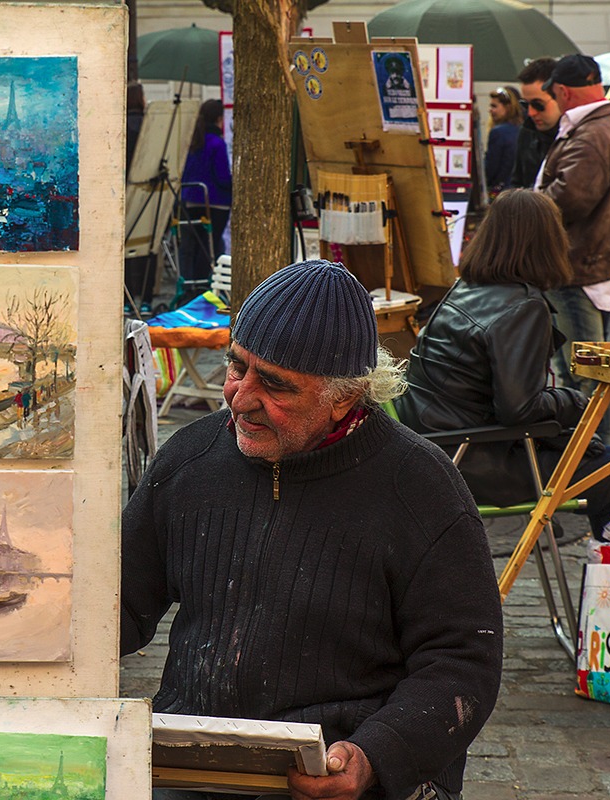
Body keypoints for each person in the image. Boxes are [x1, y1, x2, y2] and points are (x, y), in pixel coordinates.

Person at [122, 261, 503, 800]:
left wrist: (375, 756)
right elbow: (115, 605)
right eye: (237, 366)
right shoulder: (191, 458)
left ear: (344, 396)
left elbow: (465, 662)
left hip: (343, 768)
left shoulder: (419, 487)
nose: (240, 397)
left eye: (275, 384)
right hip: (198, 762)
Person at [395, 190, 610, 540]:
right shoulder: (522, 307)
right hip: (475, 460)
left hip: (441, 449)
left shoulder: (466, 286)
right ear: (547, 242)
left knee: (608, 459)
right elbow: (520, 409)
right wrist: (574, 403)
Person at [537, 53, 610, 445]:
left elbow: (570, 198)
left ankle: (595, 462)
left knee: (587, 372)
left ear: (562, 90)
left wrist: (527, 204)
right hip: (580, 265)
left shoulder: (591, 132)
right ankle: (591, 459)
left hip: (578, 268)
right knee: (583, 369)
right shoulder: (595, 125)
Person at [179, 99, 232, 286]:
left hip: (191, 200)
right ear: (219, 118)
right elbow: (223, 177)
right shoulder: (217, 143)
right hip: (215, 202)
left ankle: (191, 285)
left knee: (192, 247)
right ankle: (203, 286)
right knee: (209, 246)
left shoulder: (193, 140)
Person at [511, 58, 560, 190]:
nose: (531, 112)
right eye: (525, 105)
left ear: (560, 96)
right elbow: (516, 182)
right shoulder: (527, 132)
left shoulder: (577, 135)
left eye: (538, 105)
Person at [484, 86, 522, 195]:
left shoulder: (498, 132)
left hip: (501, 191)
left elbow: (491, 169)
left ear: (508, 107)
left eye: (494, 106)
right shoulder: (523, 130)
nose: (490, 110)